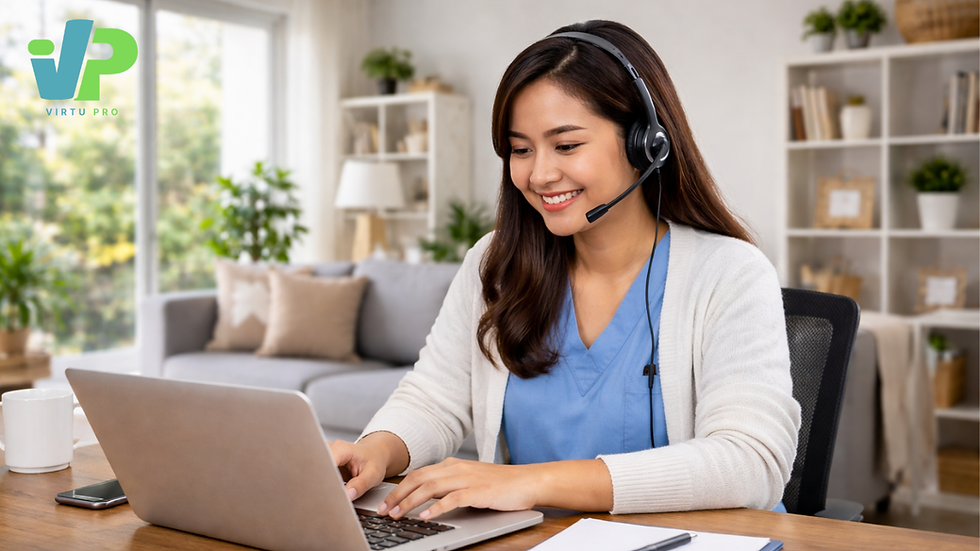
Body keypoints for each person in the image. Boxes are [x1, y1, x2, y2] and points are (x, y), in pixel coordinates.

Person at [330, 19, 801, 520]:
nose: (539, 174)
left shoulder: (729, 273)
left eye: (567, 145)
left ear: (646, 142)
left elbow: (752, 460)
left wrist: (529, 483)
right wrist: (378, 450)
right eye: (520, 149)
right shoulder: (496, 264)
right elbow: (435, 398)